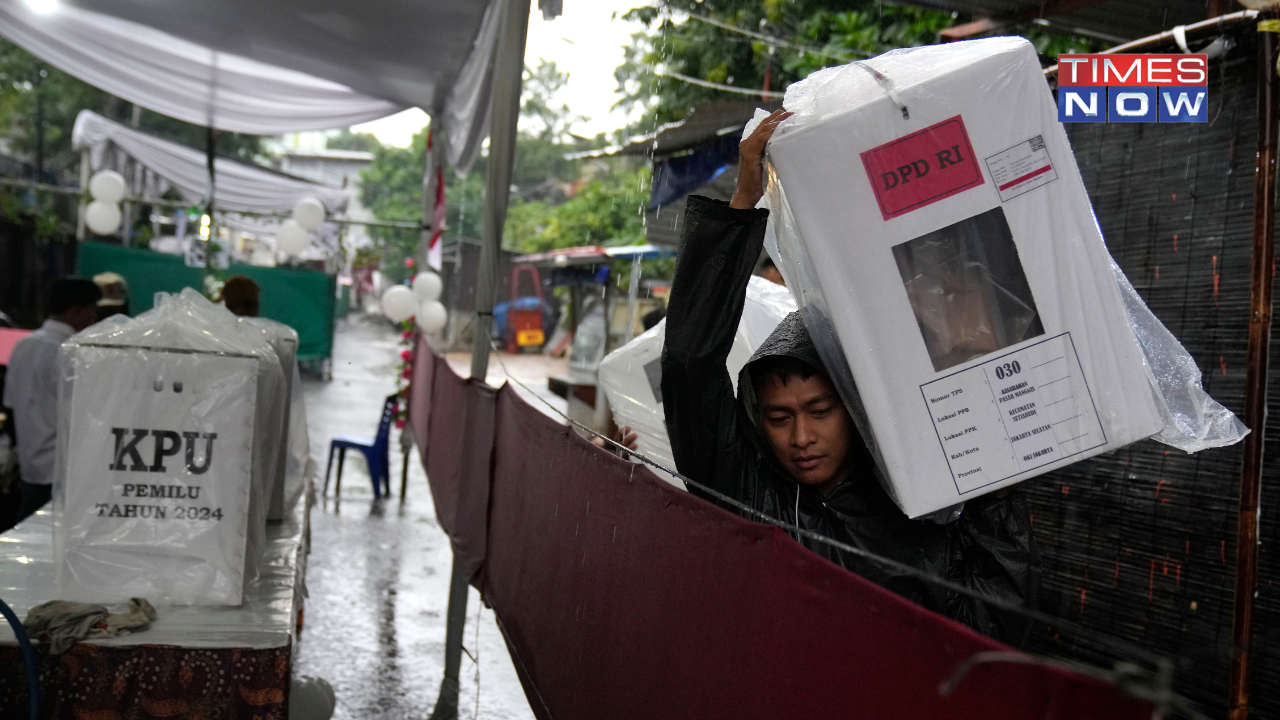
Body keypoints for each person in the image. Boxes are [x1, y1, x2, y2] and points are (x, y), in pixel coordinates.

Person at [660, 109, 1039, 642]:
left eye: (819, 411)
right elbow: (688, 366)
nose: (802, 438)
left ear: (855, 409)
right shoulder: (747, 492)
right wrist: (744, 199)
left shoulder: (924, 507)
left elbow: (997, 627)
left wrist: (1000, 500)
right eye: (778, 417)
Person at [4, 278, 103, 522]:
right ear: (77, 312)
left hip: (28, 467)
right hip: (61, 472)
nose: (93, 318)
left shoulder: (23, 345)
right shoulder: (71, 353)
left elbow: (11, 405)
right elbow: (85, 414)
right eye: (92, 311)